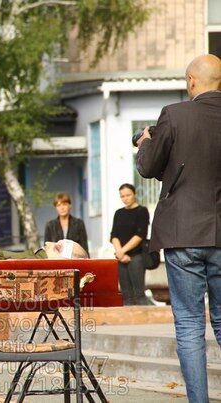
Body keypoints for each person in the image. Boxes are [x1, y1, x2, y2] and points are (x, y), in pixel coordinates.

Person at [135, 54, 221, 402]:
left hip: (183, 233)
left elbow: (149, 167)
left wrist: (144, 143)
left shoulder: (174, 114)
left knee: (188, 325)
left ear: (191, 80)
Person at [110, 184, 150, 306]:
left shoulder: (142, 211)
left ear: (135, 194)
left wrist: (122, 251)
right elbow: (114, 235)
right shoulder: (119, 213)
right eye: (122, 196)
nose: (125, 198)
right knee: (126, 294)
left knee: (139, 294)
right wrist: (120, 253)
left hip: (136, 257)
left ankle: (144, 322)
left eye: (128, 195)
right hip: (121, 258)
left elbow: (140, 235)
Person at [44, 192, 89, 256]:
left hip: (75, 261)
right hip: (56, 262)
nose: (62, 208)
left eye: (64, 204)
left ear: (70, 205)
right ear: (56, 207)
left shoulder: (79, 223)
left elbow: (84, 247)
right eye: (58, 205)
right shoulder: (50, 225)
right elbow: (47, 248)